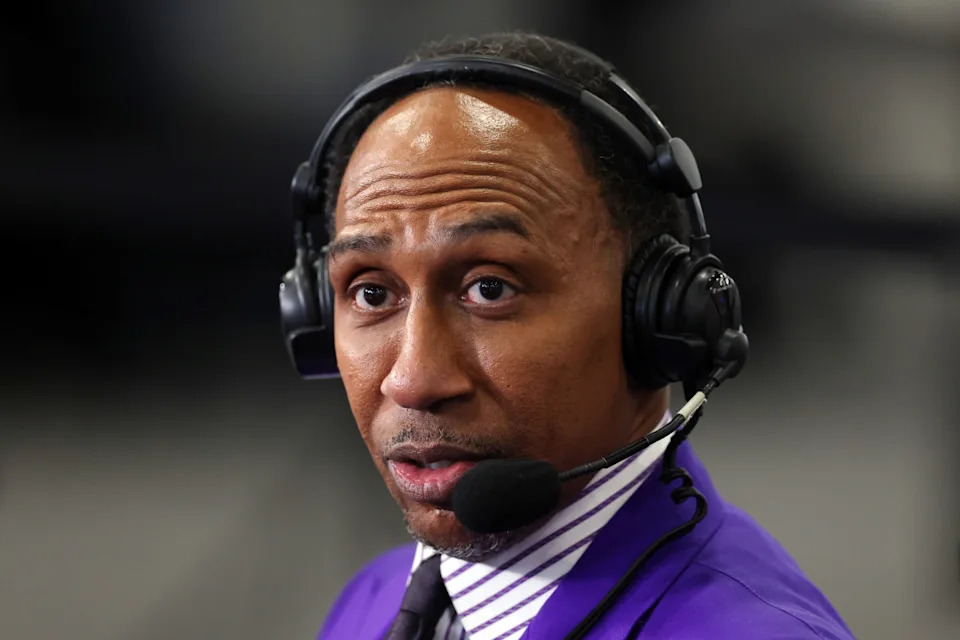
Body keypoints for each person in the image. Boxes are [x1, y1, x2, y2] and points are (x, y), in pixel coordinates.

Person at [283, 32, 854, 639]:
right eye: (372, 293)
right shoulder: (369, 605)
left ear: (656, 322)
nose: (415, 379)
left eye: (490, 289)